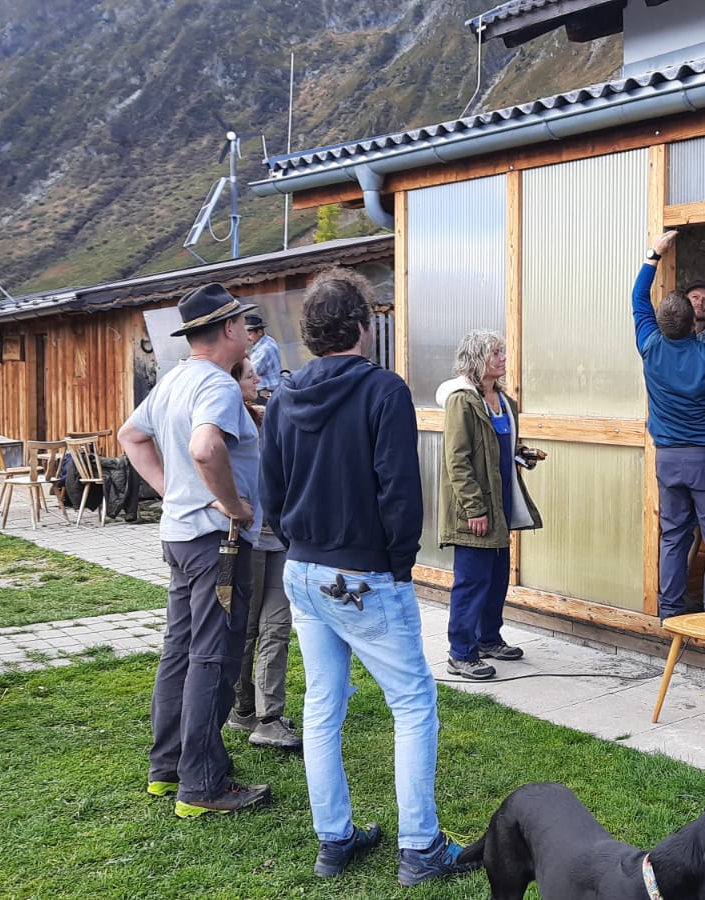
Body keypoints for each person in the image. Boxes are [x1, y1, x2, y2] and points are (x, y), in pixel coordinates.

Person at [260, 268, 476, 886]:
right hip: (363, 575)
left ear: (311, 332)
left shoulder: (283, 395)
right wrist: (397, 566)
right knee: (412, 704)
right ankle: (421, 848)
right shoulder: (384, 391)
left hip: (301, 571)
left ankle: (335, 839)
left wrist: (299, 543)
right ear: (362, 326)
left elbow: (268, 492)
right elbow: (400, 492)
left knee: (322, 704)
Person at [117, 282, 270, 818]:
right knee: (214, 654)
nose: (249, 336)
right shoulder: (217, 386)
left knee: (178, 650)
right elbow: (206, 448)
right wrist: (233, 505)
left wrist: (170, 490)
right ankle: (203, 783)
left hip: (180, 537)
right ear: (228, 329)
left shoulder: (174, 379)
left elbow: (129, 436)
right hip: (217, 544)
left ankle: (168, 767)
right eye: (244, 326)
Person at [634, 230, 705, 619]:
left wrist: (654, 255)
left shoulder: (648, 345)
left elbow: (637, 300)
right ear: (691, 320)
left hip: (667, 459)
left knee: (673, 536)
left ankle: (669, 611)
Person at [435, 330, 544, 681]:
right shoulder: (462, 401)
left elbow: (498, 450)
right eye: (496, 352)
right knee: (471, 581)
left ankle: (488, 639)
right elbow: (458, 460)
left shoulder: (505, 402)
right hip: (476, 511)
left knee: (496, 578)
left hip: (501, 506)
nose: (503, 357)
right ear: (477, 359)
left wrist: (521, 455)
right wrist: (473, 509)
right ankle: (461, 653)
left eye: (502, 351)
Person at [224, 357, 301, 751]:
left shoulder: (261, 418)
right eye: (249, 374)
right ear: (232, 381)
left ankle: (269, 717)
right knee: (247, 628)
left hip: (278, 540)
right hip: (247, 538)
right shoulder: (223, 423)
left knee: (277, 627)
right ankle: (242, 710)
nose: (257, 378)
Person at [246, 313, 285, 395]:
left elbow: (251, 372)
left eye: (249, 334)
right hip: (275, 384)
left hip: (268, 388)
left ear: (259, 332)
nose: (247, 338)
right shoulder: (268, 340)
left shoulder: (263, 350)